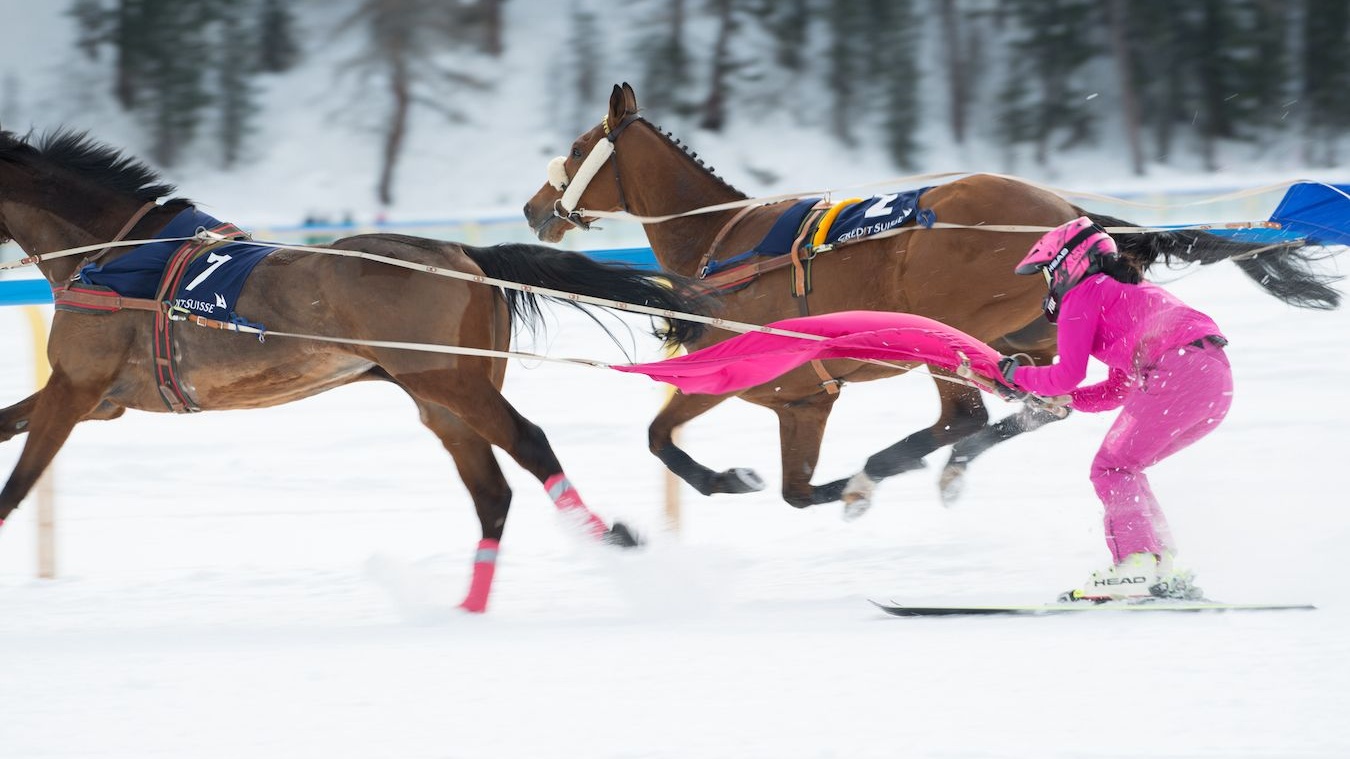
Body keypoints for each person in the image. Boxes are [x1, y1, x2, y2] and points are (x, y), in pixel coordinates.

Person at [997, 216, 1232, 602]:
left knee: (1112, 468)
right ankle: (1158, 566)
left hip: (1177, 370)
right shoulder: (1120, 292)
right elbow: (1116, 389)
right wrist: (1068, 400)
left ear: (1064, 264)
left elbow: (1067, 373)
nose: (1048, 285)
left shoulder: (1083, 293)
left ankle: (1137, 564)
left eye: (1045, 274)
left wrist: (1017, 376)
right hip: (1211, 379)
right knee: (1124, 466)